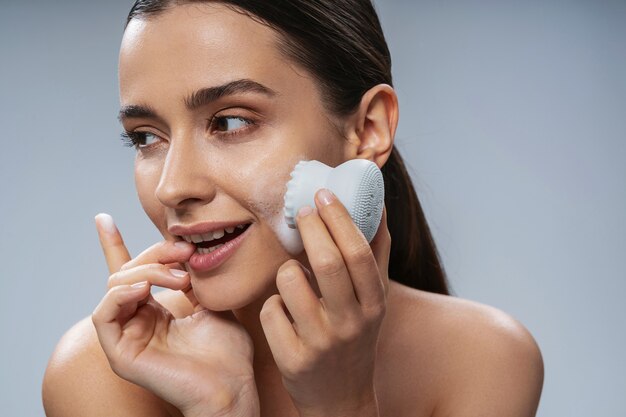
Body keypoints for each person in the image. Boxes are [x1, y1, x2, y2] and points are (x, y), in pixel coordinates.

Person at [42, 1, 544, 416]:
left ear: (368, 130)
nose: (173, 187)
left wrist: (342, 406)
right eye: (146, 137)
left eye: (231, 122)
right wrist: (222, 407)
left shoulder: (482, 360)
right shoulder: (100, 376)